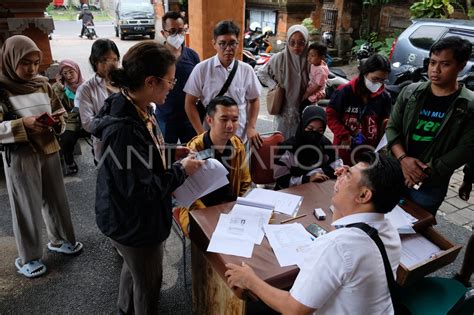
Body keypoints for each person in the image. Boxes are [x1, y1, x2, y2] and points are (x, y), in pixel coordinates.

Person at [91, 41, 204, 314]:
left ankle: (124, 308)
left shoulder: (135, 105)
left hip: (128, 216)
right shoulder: (124, 129)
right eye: (171, 81)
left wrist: (171, 153)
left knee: (134, 270)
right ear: (151, 81)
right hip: (134, 221)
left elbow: (143, 155)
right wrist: (180, 171)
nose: (172, 87)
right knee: (148, 283)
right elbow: (141, 190)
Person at [225, 152, 405, 314]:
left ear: (364, 196)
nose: (340, 175)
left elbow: (293, 309)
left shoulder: (337, 246)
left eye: (348, 174)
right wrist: (343, 192)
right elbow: (346, 236)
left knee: (254, 307)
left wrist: (249, 280)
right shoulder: (388, 229)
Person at [0, 35, 83, 278]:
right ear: (10, 60)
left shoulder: (42, 84)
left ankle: (60, 240)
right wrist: (22, 124)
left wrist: (57, 122)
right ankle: (29, 257)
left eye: (37, 62)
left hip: (48, 147)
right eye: (25, 62)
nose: (32, 68)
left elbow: (60, 111)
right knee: (26, 205)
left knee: (57, 198)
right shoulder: (2, 88)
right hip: (21, 155)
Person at [386, 36, 474, 215]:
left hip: (431, 183)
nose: (435, 70)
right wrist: (404, 160)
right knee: (384, 218)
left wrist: (423, 172)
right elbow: (392, 128)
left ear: (461, 66)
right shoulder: (410, 92)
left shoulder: (469, 104)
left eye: (445, 64)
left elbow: (467, 148)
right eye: (432, 62)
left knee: (419, 227)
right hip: (395, 172)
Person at [178, 96, 252, 234]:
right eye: (224, 120)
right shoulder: (195, 148)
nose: (230, 125)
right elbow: (189, 196)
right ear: (210, 120)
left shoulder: (237, 145)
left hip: (230, 207)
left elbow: (245, 182)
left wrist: (237, 207)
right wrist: (211, 215)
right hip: (199, 208)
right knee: (203, 236)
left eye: (235, 120)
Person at [184, 20, 263, 148]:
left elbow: (254, 100)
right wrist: (201, 134)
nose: (228, 49)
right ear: (214, 44)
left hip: (239, 138)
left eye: (232, 43)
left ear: (238, 44)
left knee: (239, 167)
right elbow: (189, 103)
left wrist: (251, 127)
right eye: (222, 44)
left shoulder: (246, 70)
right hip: (210, 138)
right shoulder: (202, 69)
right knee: (210, 167)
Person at [327, 53, 391, 165]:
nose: (378, 84)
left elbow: (383, 122)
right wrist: (344, 135)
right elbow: (331, 115)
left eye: (382, 80)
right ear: (365, 73)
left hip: (369, 152)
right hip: (344, 149)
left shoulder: (384, 97)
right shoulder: (344, 92)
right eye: (375, 79)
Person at [257, 25, 310, 139]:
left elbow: (321, 77)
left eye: (301, 43)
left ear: (306, 43)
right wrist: (274, 86)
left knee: (302, 145)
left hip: (305, 108)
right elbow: (261, 72)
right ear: (287, 42)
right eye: (292, 43)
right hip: (284, 109)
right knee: (281, 143)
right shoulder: (279, 58)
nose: (296, 47)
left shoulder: (311, 58)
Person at [156, 11, 199, 144]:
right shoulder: (155, 56)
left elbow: (200, 83)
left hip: (189, 118)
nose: (177, 35)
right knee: (166, 157)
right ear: (163, 33)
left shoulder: (192, 56)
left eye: (180, 31)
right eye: (172, 31)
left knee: (193, 154)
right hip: (165, 118)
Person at [274, 105, 341, 190]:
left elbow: (338, 164)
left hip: (315, 191)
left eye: (320, 130)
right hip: (290, 194)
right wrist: (307, 178)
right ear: (302, 125)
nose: (314, 135)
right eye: (310, 129)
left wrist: (317, 173)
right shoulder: (288, 149)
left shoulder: (324, 143)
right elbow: (281, 180)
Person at [76, 38, 120, 164]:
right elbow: (88, 123)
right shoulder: (86, 89)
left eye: (114, 59)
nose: (111, 64)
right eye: (104, 60)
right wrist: (117, 123)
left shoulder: (126, 83)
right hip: (105, 149)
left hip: (131, 146)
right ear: (94, 61)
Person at [52, 59, 84, 175]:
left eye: (71, 72)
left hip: (86, 117)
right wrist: (60, 88)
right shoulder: (58, 87)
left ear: (77, 70)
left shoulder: (86, 84)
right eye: (65, 73)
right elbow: (55, 105)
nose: (69, 76)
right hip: (70, 119)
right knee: (67, 139)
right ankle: (69, 160)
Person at [301, 42, 329, 107]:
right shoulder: (315, 63)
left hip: (316, 92)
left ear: (322, 57)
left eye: (312, 56)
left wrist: (306, 95)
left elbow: (317, 86)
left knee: (304, 105)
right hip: (311, 88)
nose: (309, 58)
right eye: (308, 55)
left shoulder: (320, 70)